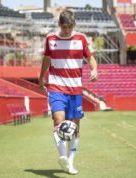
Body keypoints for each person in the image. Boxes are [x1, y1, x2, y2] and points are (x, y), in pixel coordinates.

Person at [38, 9, 98, 175]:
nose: (67, 30)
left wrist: (94, 69)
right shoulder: (50, 39)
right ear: (59, 24)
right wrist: (41, 77)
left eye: (70, 27)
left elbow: (90, 57)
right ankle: (63, 156)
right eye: (64, 27)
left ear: (74, 25)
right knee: (59, 120)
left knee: (75, 128)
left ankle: (70, 162)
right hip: (56, 87)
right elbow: (46, 59)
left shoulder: (81, 39)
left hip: (75, 90)